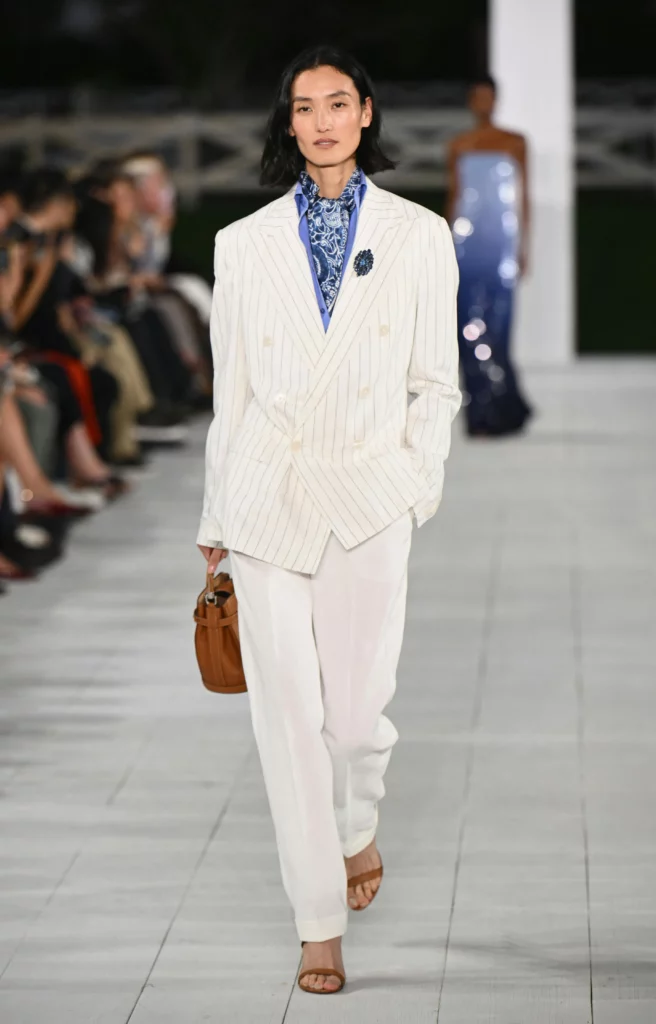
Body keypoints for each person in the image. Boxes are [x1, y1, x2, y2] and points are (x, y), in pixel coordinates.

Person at [197, 45, 460, 995]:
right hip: (267, 498)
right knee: (288, 724)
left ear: (366, 113)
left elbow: (436, 380)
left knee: (352, 723)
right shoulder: (241, 243)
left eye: (337, 103)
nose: (320, 121)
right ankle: (318, 924)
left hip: (367, 497)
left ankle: (356, 826)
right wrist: (217, 513)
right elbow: (231, 392)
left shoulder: (419, 234)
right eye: (304, 107)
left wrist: (414, 484)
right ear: (289, 121)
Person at [445, 74, 533, 437]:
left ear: (495, 100)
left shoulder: (514, 143)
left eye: (487, 97)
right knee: (468, 327)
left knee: (498, 326)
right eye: (477, 97)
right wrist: (446, 247)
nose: (483, 104)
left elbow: (523, 197)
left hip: (500, 245)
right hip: (466, 245)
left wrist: (524, 246)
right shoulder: (459, 145)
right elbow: (455, 197)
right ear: (471, 102)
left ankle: (507, 407)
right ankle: (480, 415)